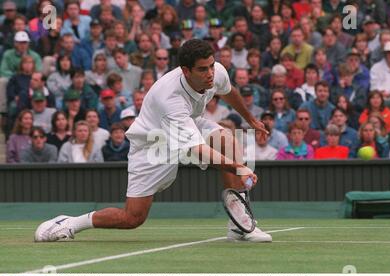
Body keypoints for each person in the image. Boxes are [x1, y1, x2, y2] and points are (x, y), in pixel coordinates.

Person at [35, 39, 272, 243]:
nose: (210, 73)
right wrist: (240, 167)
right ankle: (71, 222)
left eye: (211, 66)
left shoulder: (215, 72)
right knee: (132, 218)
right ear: (186, 71)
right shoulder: (170, 98)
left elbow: (228, 90)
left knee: (228, 140)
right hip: (153, 141)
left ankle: (239, 226)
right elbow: (198, 150)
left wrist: (250, 119)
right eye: (202, 69)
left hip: (190, 122)